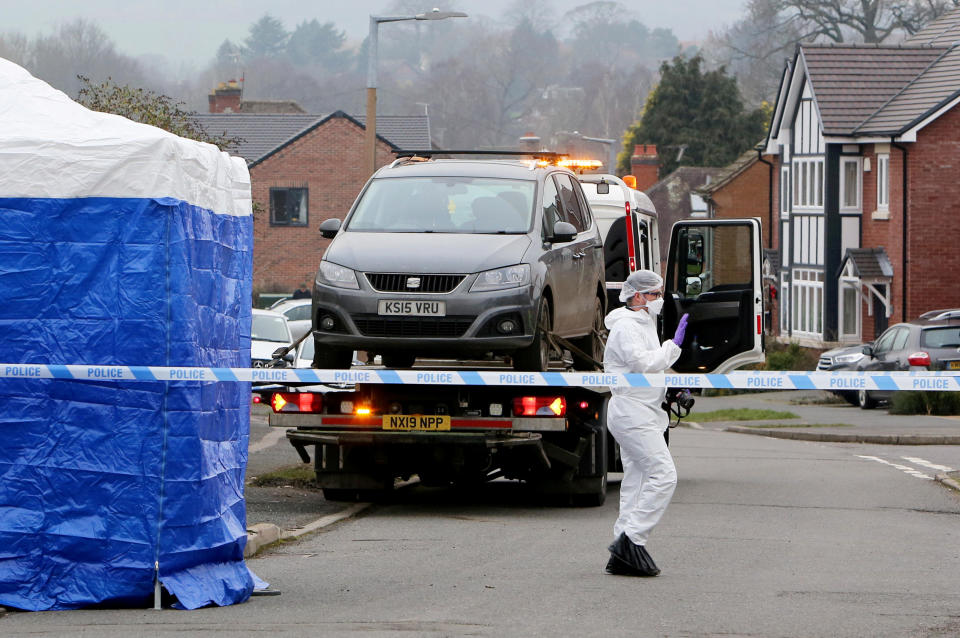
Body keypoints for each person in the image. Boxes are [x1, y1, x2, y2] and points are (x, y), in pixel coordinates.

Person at [602, 269, 688, 577]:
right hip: (632, 413)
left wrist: (672, 386)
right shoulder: (626, 327)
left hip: (644, 411)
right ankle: (632, 539)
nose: (660, 299)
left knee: (637, 481)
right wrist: (672, 348)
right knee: (664, 475)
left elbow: (651, 368)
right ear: (638, 296)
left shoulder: (643, 323)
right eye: (655, 294)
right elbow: (642, 364)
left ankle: (621, 547)